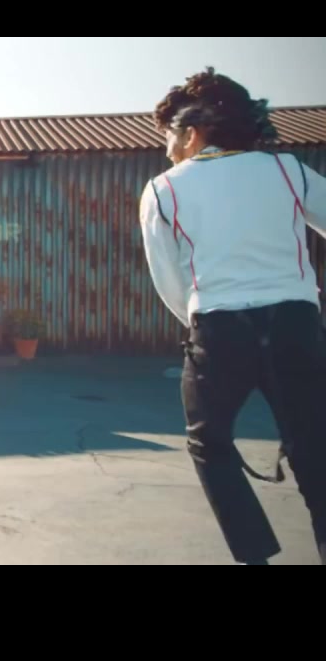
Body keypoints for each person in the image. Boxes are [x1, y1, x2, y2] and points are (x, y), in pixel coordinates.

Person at [139, 67, 326, 566]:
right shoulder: (288, 170)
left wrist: (201, 324)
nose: (166, 149)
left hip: (220, 332)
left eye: (169, 135)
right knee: (315, 452)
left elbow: (169, 281)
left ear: (193, 131)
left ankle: (254, 555)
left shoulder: (163, 190)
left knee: (210, 443)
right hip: (295, 325)